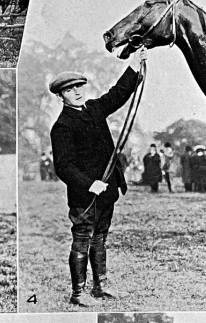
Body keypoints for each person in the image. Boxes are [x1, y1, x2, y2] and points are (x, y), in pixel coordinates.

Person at [49, 57, 143, 306]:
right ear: (61, 96)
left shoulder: (94, 109)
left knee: (100, 238)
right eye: (69, 90)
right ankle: (78, 294)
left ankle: (100, 286)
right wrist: (90, 184)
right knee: (82, 239)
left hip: (108, 191)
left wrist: (135, 65)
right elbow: (64, 166)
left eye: (79, 86)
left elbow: (117, 94)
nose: (76, 92)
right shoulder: (62, 126)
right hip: (85, 195)